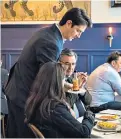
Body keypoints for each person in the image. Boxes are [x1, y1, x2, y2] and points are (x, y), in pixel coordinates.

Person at [4, 8, 92, 138]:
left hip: (17, 89)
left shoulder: (48, 33)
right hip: (23, 93)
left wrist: (72, 86)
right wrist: (68, 98)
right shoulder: (51, 42)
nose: (79, 35)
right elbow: (50, 78)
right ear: (68, 23)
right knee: (22, 134)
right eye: (78, 31)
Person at [24, 62, 95, 138]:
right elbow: (83, 133)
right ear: (58, 82)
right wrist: (89, 114)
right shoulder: (54, 108)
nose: (65, 83)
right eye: (63, 79)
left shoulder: (37, 100)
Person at [58, 48, 92, 118]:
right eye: (67, 63)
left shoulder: (72, 79)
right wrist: (76, 88)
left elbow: (88, 101)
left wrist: (81, 87)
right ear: (59, 64)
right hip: (72, 124)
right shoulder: (56, 81)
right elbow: (65, 108)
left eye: (73, 64)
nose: (71, 67)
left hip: (84, 119)